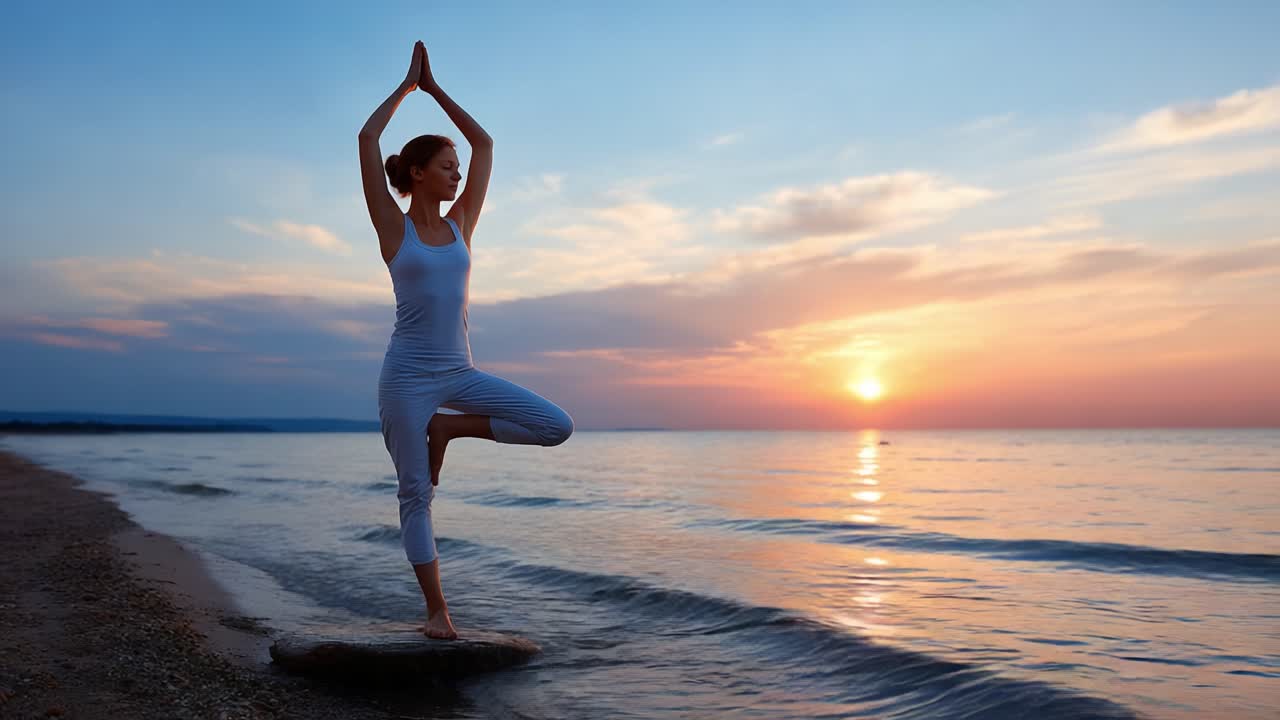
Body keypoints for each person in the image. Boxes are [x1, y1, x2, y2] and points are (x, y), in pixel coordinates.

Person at [358, 40, 574, 640]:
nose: (457, 173)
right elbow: (367, 143)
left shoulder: (461, 227)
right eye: (446, 166)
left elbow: (485, 145)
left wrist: (436, 89)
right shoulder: (393, 228)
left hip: (459, 373)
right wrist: (405, 88)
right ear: (420, 173)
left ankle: (451, 427)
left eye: (457, 168)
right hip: (404, 378)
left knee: (556, 425)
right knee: (415, 494)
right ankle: (438, 613)